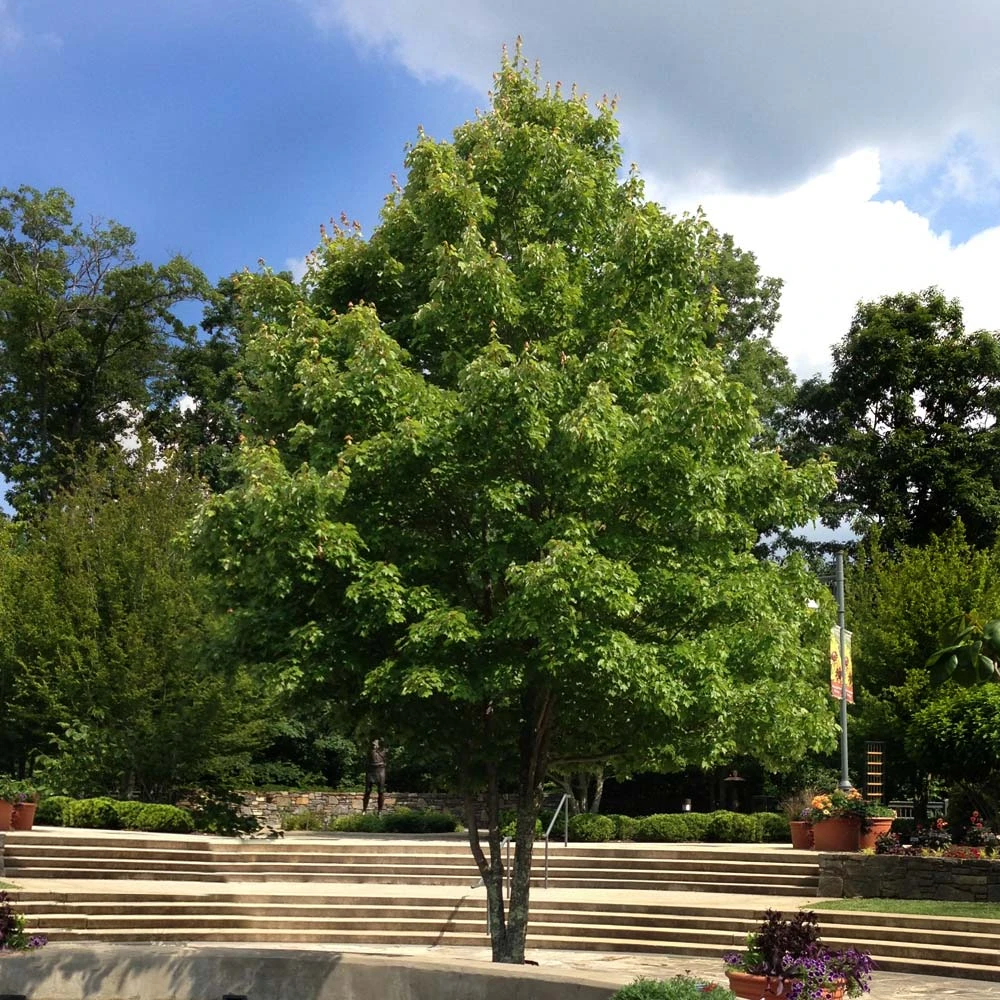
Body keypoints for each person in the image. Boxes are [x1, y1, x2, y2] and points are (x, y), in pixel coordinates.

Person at [362, 738, 388, 814]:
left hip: (380, 770)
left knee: (381, 791)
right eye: (373, 743)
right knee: (367, 790)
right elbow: (367, 760)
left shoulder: (384, 750)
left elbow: (386, 760)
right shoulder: (369, 750)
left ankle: (380, 811)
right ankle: (364, 810)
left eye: (375, 743)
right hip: (371, 771)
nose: (374, 745)